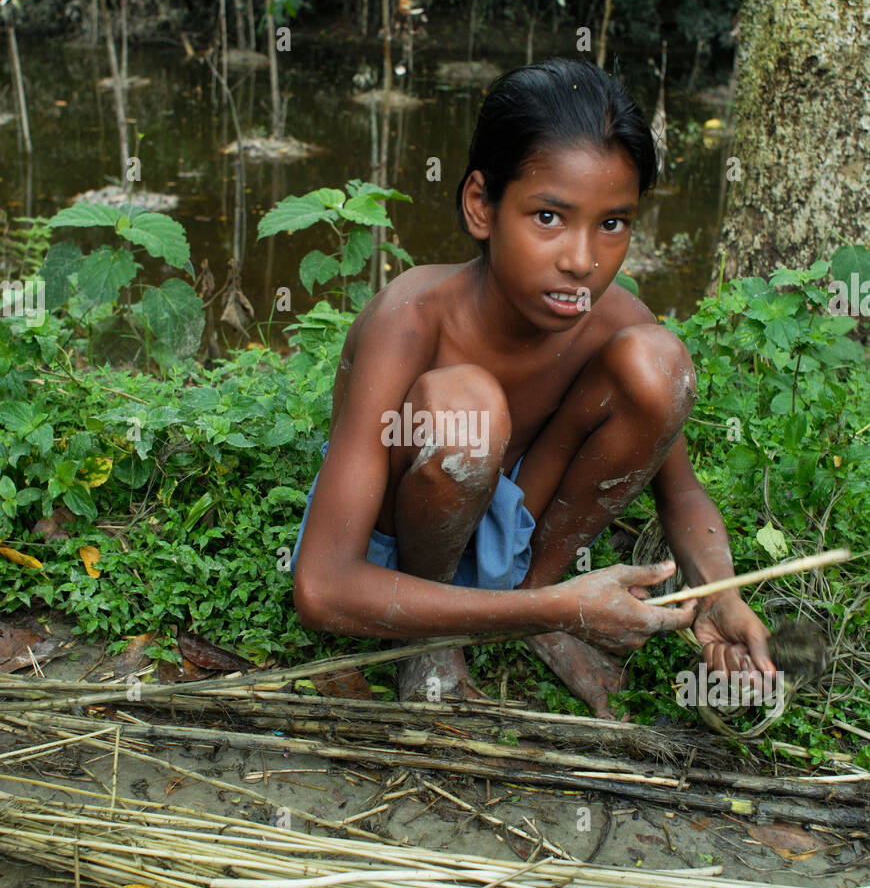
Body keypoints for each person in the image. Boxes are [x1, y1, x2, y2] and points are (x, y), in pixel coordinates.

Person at [290, 58, 774, 715]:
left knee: (659, 364)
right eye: (549, 217)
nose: (582, 259)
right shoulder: (408, 319)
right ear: (480, 205)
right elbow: (321, 587)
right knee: (466, 412)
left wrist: (720, 592)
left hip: (515, 538)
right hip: (402, 550)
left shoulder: (615, 320)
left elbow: (681, 492)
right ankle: (433, 643)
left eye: (612, 224)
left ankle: (533, 601)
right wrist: (560, 608)